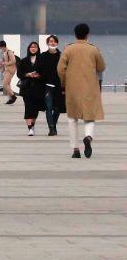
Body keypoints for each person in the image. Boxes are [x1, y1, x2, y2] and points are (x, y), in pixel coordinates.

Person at [58, 23, 106, 159]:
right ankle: (88, 137)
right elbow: (101, 67)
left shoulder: (68, 49)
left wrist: (64, 82)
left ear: (75, 34)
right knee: (89, 116)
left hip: (72, 87)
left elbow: (60, 69)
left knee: (72, 118)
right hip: (90, 87)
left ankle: (75, 149)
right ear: (87, 34)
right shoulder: (94, 50)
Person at [36, 35, 65, 136]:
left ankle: (53, 125)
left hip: (58, 85)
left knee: (57, 108)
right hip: (47, 85)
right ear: (47, 43)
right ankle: (51, 128)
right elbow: (38, 70)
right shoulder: (42, 56)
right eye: (50, 41)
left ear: (57, 43)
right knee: (48, 107)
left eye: (54, 41)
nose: (52, 43)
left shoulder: (62, 55)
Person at [16, 41, 45, 136]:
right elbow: (19, 74)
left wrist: (38, 75)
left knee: (35, 109)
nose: (33, 48)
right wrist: (27, 74)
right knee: (28, 107)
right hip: (26, 88)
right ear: (29, 49)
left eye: (35, 47)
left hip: (38, 88)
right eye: (31, 47)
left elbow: (45, 74)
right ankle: (30, 128)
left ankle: (32, 125)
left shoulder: (42, 60)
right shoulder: (23, 61)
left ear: (38, 49)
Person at [0, 40, 18, 105]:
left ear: (3, 46)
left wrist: (5, 63)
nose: (0, 49)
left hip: (11, 70)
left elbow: (13, 61)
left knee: (4, 84)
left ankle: (13, 96)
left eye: (0, 48)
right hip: (7, 70)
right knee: (7, 85)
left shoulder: (9, 52)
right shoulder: (3, 53)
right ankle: (10, 99)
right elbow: (2, 64)